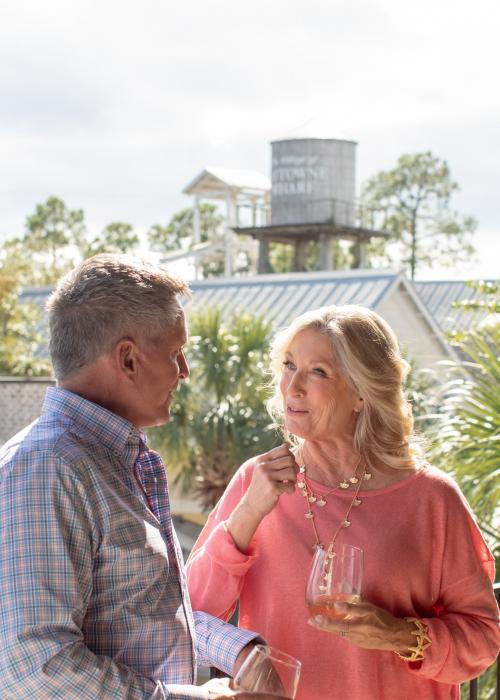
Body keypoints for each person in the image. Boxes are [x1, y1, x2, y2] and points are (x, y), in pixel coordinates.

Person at [0, 254, 286, 700]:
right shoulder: (49, 468)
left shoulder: (109, 461)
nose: (185, 371)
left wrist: (238, 648)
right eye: (175, 353)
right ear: (128, 359)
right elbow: (37, 670)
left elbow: (138, 613)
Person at [186, 304, 500, 700]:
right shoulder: (256, 480)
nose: (292, 387)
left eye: (318, 371)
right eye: (288, 365)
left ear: (361, 393)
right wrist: (249, 512)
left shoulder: (432, 499)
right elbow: (189, 611)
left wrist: (400, 634)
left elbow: (483, 639)